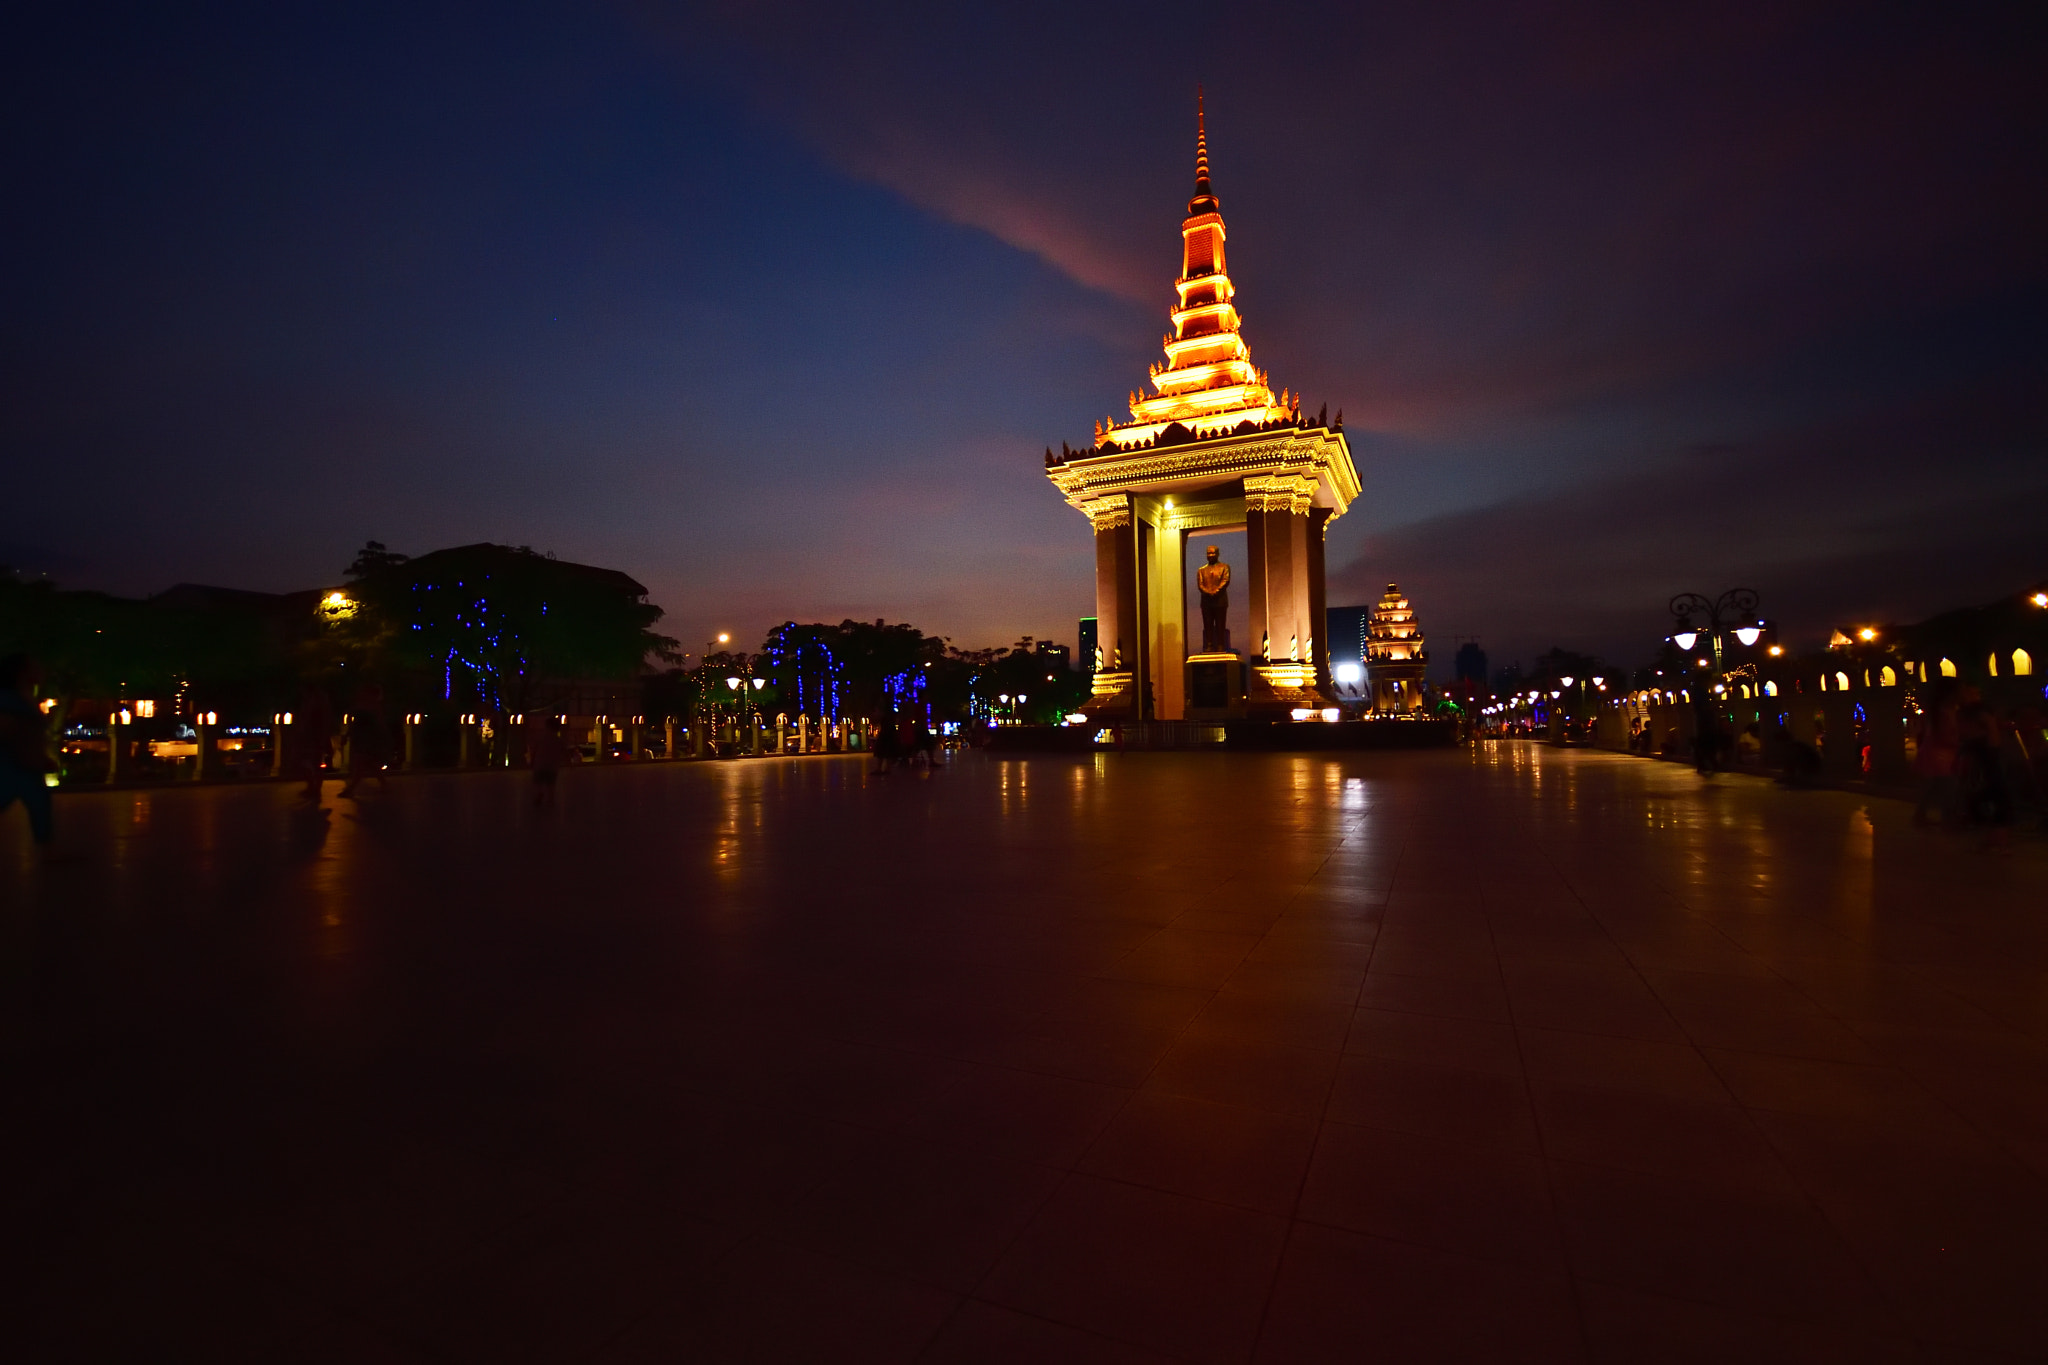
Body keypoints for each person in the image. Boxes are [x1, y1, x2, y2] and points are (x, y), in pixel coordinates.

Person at [0, 653, 62, 858]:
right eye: (35, 667)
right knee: (36, 800)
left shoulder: (22, 697)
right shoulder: (11, 699)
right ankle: (48, 849)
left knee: (39, 801)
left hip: (22, 763)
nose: (41, 671)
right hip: (13, 763)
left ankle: (48, 848)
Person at [1911, 681, 1960, 827]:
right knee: (1946, 787)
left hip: (1937, 754)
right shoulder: (1943, 713)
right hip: (1939, 755)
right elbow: (1943, 736)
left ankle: (1923, 816)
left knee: (1934, 787)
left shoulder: (1943, 711)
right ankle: (1947, 819)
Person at [337, 682, 391, 799]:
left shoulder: (372, 707)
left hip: (366, 740)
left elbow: (378, 725)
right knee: (368, 764)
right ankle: (383, 784)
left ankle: (350, 789)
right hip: (362, 739)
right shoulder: (366, 706)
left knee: (361, 764)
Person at [297, 682, 335, 803]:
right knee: (313, 763)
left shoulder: (315, 705)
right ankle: (314, 787)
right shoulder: (316, 703)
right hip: (313, 737)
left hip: (314, 737)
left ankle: (314, 788)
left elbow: (318, 722)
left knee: (313, 763)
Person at [528, 712, 564, 808]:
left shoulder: (540, 737)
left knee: (538, 782)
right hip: (552, 766)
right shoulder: (558, 740)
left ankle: (539, 794)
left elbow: (534, 750)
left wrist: (532, 761)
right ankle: (550, 801)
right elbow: (562, 752)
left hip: (540, 764)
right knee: (551, 785)